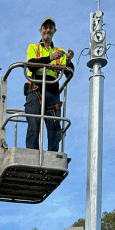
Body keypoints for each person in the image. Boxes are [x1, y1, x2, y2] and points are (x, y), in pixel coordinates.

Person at [25, 17, 74, 153]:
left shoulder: (60, 51)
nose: (47, 30)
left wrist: (69, 62)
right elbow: (31, 64)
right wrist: (50, 58)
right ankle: (32, 155)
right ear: (41, 30)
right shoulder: (34, 47)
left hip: (52, 90)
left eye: (50, 28)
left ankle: (53, 155)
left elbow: (69, 74)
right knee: (34, 124)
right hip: (35, 89)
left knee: (54, 124)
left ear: (54, 31)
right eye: (45, 27)